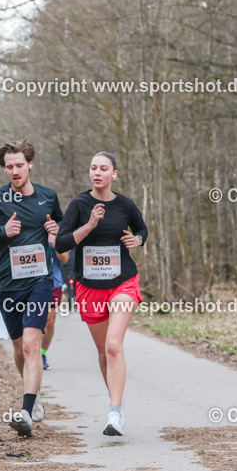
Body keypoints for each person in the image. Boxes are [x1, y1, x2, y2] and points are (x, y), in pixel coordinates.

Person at [55, 152, 147, 436]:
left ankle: (114, 413)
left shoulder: (125, 205)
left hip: (123, 282)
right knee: (102, 351)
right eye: (93, 167)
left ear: (113, 174)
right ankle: (115, 402)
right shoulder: (80, 204)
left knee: (113, 345)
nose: (97, 172)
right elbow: (61, 242)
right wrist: (89, 225)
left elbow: (142, 228)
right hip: (89, 286)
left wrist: (138, 239)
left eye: (103, 168)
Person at [0, 139, 63, 437]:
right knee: (18, 348)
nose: (14, 171)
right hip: (7, 284)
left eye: (19, 165)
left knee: (30, 345)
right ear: (4, 168)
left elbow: (63, 238)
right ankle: (33, 395)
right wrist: (2, 231)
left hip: (40, 281)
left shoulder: (48, 197)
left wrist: (57, 233)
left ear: (30, 165)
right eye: (8, 167)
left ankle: (25, 410)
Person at [41, 239, 69, 370]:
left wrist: (55, 243)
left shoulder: (59, 229)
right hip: (29, 282)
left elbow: (64, 259)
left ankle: (42, 354)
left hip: (53, 282)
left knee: (49, 322)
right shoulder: (28, 223)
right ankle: (30, 351)